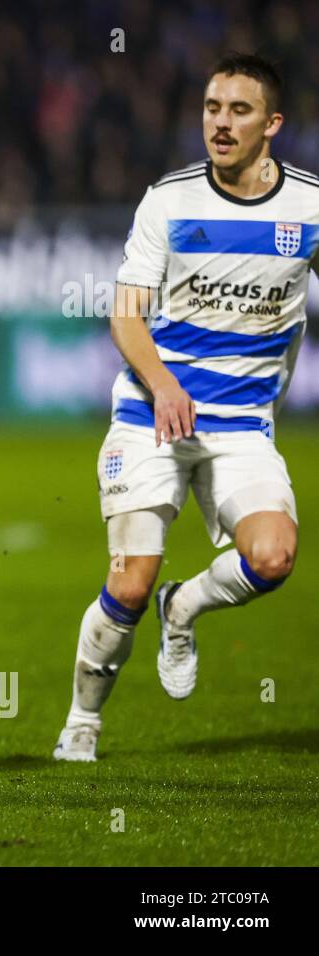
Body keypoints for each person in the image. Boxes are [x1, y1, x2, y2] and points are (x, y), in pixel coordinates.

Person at [53, 54, 315, 762]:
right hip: (151, 416)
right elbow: (126, 316)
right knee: (130, 583)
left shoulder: (310, 205)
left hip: (242, 429)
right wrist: (166, 385)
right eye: (211, 108)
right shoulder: (168, 200)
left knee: (275, 556)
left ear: (273, 125)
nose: (221, 123)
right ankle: (83, 720)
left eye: (239, 111)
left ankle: (187, 604)